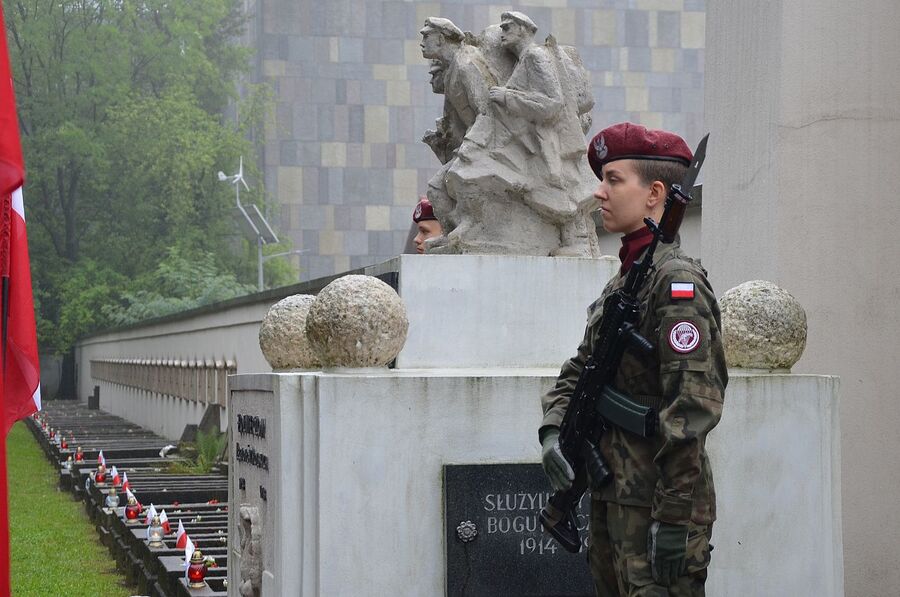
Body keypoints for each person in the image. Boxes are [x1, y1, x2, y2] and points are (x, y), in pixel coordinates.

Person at [539, 122, 728, 596]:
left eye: (613, 180)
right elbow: (580, 369)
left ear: (654, 194)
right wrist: (552, 430)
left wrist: (673, 516)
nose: (598, 193)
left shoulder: (675, 283)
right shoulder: (624, 283)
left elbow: (693, 405)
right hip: (614, 500)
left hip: (657, 508)